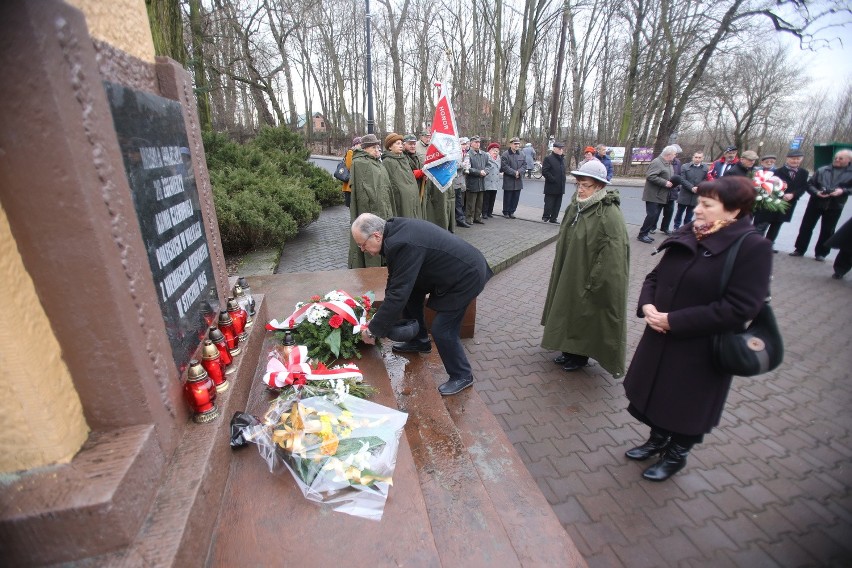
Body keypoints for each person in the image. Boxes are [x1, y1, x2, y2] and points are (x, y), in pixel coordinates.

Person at [623, 175, 773, 481]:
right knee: (656, 393)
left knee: (686, 403)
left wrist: (673, 321)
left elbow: (740, 308)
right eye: (699, 203)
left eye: (706, 204)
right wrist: (648, 306)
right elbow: (655, 277)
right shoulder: (691, 232)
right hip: (660, 335)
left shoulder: (753, 247)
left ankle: (677, 454)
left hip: (701, 348)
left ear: (733, 211)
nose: (696, 210)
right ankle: (657, 439)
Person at [353, 213, 493, 396]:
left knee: (443, 329)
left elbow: (397, 294)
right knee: (410, 295)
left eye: (362, 244)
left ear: (376, 235)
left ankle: (462, 375)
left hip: (465, 277)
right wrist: (381, 319)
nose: (362, 249)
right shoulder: (393, 233)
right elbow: (396, 282)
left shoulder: (401, 242)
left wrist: (373, 329)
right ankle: (419, 341)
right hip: (451, 271)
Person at [541, 160, 629, 375]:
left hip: (589, 273)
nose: (580, 189)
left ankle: (579, 356)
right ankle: (568, 349)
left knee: (584, 312)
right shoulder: (577, 206)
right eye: (578, 184)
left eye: (586, 185)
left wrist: (596, 278)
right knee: (568, 307)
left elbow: (615, 253)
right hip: (571, 268)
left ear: (599, 186)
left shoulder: (608, 213)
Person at [790, 149, 852, 261]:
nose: (837, 160)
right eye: (836, 158)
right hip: (816, 202)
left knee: (827, 230)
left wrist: (842, 191)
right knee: (806, 226)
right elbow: (809, 185)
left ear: (849, 160)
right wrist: (817, 192)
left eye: (840, 158)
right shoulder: (822, 170)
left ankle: (821, 253)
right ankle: (799, 249)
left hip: (835, 204)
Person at [348, 133, 393, 268]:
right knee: (370, 236)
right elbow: (362, 191)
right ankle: (371, 266)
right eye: (373, 147)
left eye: (377, 147)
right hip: (369, 208)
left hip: (383, 206)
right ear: (365, 148)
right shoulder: (359, 163)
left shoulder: (377, 163)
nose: (376, 150)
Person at [754, 150, 808, 250]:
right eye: (793, 159)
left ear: (801, 160)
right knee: (764, 223)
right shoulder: (776, 172)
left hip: (788, 203)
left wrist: (793, 194)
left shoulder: (804, 173)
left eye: (797, 159)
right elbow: (768, 186)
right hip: (773, 202)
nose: (795, 161)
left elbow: (803, 187)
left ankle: (769, 245)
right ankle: (757, 245)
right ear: (787, 159)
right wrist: (779, 194)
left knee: (777, 224)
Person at [637, 145, 678, 243]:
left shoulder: (668, 163)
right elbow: (650, 176)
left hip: (661, 194)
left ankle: (645, 233)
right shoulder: (657, 162)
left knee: (654, 215)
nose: (675, 156)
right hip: (653, 194)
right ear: (669, 154)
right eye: (674, 154)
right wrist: (665, 182)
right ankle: (642, 234)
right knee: (652, 215)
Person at [382, 133, 421, 219]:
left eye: (401, 143)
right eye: (397, 144)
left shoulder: (404, 159)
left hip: (412, 197)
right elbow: (391, 182)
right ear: (390, 147)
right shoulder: (387, 161)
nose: (401, 146)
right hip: (401, 199)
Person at [674, 151, 708, 230]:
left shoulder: (705, 168)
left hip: (696, 195)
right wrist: (691, 187)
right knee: (679, 213)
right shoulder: (685, 166)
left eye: (699, 157)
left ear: (702, 158)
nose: (697, 159)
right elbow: (682, 179)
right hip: (684, 194)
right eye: (696, 157)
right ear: (693, 157)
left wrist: (698, 187)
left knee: (689, 215)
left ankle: (685, 230)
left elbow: (705, 180)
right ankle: (676, 228)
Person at [657, 146, 683, 234]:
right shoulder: (661, 162)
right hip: (662, 190)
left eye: (676, 154)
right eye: (675, 154)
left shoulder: (678, 163)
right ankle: (652, 227)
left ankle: (665, 228)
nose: (676, 155)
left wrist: (678, 186)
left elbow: (679, 175)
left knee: (669, 211)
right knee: (657, 211)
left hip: (673, 191)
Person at [464, 136, 488, 224]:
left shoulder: (484, 154)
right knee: (471, 203)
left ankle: (477, 217)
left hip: (481, 182)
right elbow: (467, 168)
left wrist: (485, 171)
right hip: (472, 182)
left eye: (478, 142)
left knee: (480, 202)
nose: (477, 144)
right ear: (471, 143)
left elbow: (489, 166)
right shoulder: (468, 154)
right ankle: (469, 219)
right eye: (475, 142)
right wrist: (479, 172)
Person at [541, 141, 566, 223]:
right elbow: (545, 171)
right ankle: (546, 216)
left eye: (562, 148)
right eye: (559, 148)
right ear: (554, 149)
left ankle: (554, 218)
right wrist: (552, 179)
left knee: (558, 204)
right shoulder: (549, 158)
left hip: (560, 185)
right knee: (549, 202)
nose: (561, 150)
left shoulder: (562, 159)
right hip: (551, 185)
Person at [402, 134, 427, 218]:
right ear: (404, 144)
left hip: (419, 187)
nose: (413, 146)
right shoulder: (402, 157)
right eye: (410, 144)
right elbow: (407, 174)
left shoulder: (417, 156)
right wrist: (422, 172)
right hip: (409, 190)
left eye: (414, 144)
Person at [500, 137, 526, 218]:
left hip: (518, 180)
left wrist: (519, 172)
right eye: (515, 144)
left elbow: (524, 165)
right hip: (509, 180)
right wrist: (515, 173)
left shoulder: (522, 154)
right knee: (508, 197)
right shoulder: (505, 154)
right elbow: (505, 167)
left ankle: (512, 211)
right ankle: (506, 212)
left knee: (515, 198)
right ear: (511, 144)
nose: (517, 145)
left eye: (518, 144)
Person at [454, 137, 471, 228]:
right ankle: (459, 219)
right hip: (455, 181)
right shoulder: (454, 153)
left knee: (460, 202)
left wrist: (467, 166)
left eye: (465, 144)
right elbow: (453, 165)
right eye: (462, 144)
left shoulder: (466, 154)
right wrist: (462, 165)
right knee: (456, 202)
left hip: (462, 181)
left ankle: (460, 219)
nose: (464, 146)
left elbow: (468, 164)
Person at [341, 136, 361, 207]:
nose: (361, 145)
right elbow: (349, 166)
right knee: (351, 206)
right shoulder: (350, 152)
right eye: (360, 144)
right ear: (356, 144)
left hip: (356, 183)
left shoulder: (359, 153)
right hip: (350, 184)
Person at [483, 142, 502, 219]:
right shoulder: (486, 157)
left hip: (495, 181)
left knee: (493, 198)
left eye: (497, 151)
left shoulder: (498, 158)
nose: (495, 152)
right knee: (486, 198)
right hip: (488, 180)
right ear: (490, 151)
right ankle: (484, 212)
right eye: (494, 150)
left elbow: (499, 168)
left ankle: (490, 212)